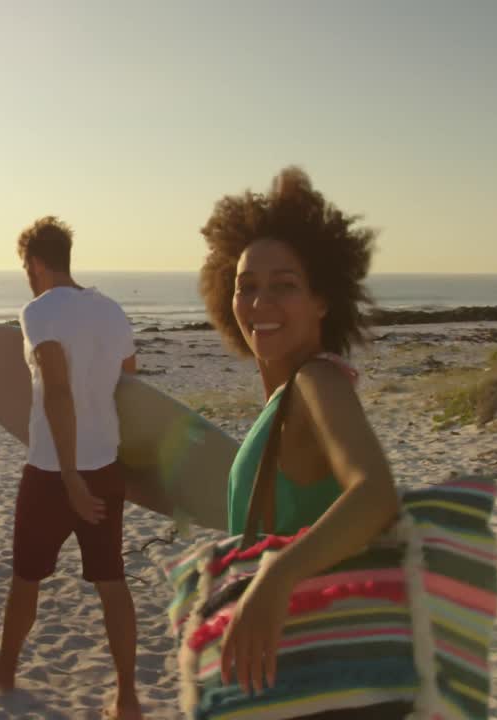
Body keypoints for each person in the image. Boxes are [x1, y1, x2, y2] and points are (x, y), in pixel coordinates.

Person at [199, 167, 404, 718]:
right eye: (246, 286)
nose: (260, 302)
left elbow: (376, 494)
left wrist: (276, 574)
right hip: (291, 676)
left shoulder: (318, 380)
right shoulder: (286, 396)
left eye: (284, 285)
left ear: (322, 300)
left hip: (324, 681)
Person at [0, 217, 143, 720]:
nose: (27, 275)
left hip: (50, 472)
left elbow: (58, 389)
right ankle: (127, 698)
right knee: (112, 581)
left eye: (26, 266)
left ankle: (7, 666)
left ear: (37, 264)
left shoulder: (38, 312)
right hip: (106, 463)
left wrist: (69, 478)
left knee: (26, 577)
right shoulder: (112, 311)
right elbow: (130, 387)